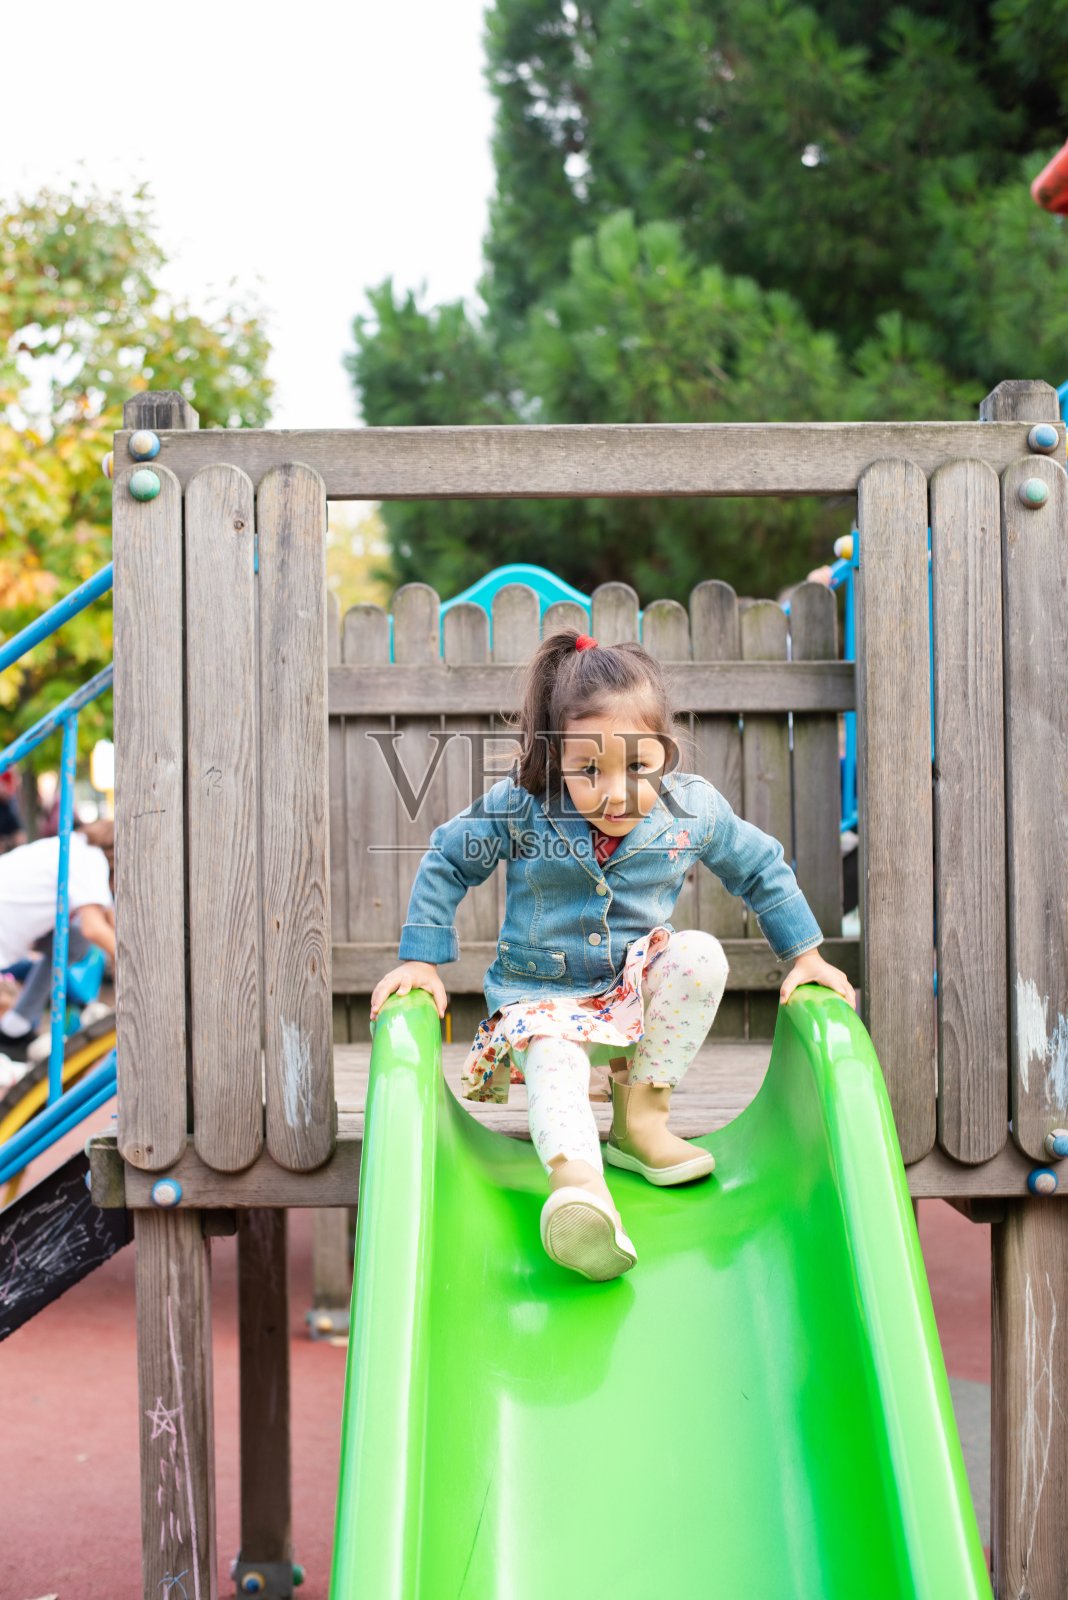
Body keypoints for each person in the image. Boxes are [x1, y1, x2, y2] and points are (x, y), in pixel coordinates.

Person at [370, 630, 855, 1284]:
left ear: (666, 752)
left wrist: (806, 955)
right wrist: (422, 960)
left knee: (700, 954)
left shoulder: (692, 810)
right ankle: (581, 1191)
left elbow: (761, 868)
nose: (616, 791)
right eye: (589, 771)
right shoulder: (525, 806)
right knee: (556, 1056)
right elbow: (448, 858)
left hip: (629, 1005)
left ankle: (640, 1123)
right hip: (542, 1002)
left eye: (638, 766)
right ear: (558, 760)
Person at [0, 819, 115, 1062]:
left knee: (74, 940)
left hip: (14, 926)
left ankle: (15, 1026)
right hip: (7, 929)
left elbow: (110, 921)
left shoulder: (71, 847)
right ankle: (13, 1030)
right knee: (78, 938)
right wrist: (140, 969)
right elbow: (94, 928)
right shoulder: (91, 860)